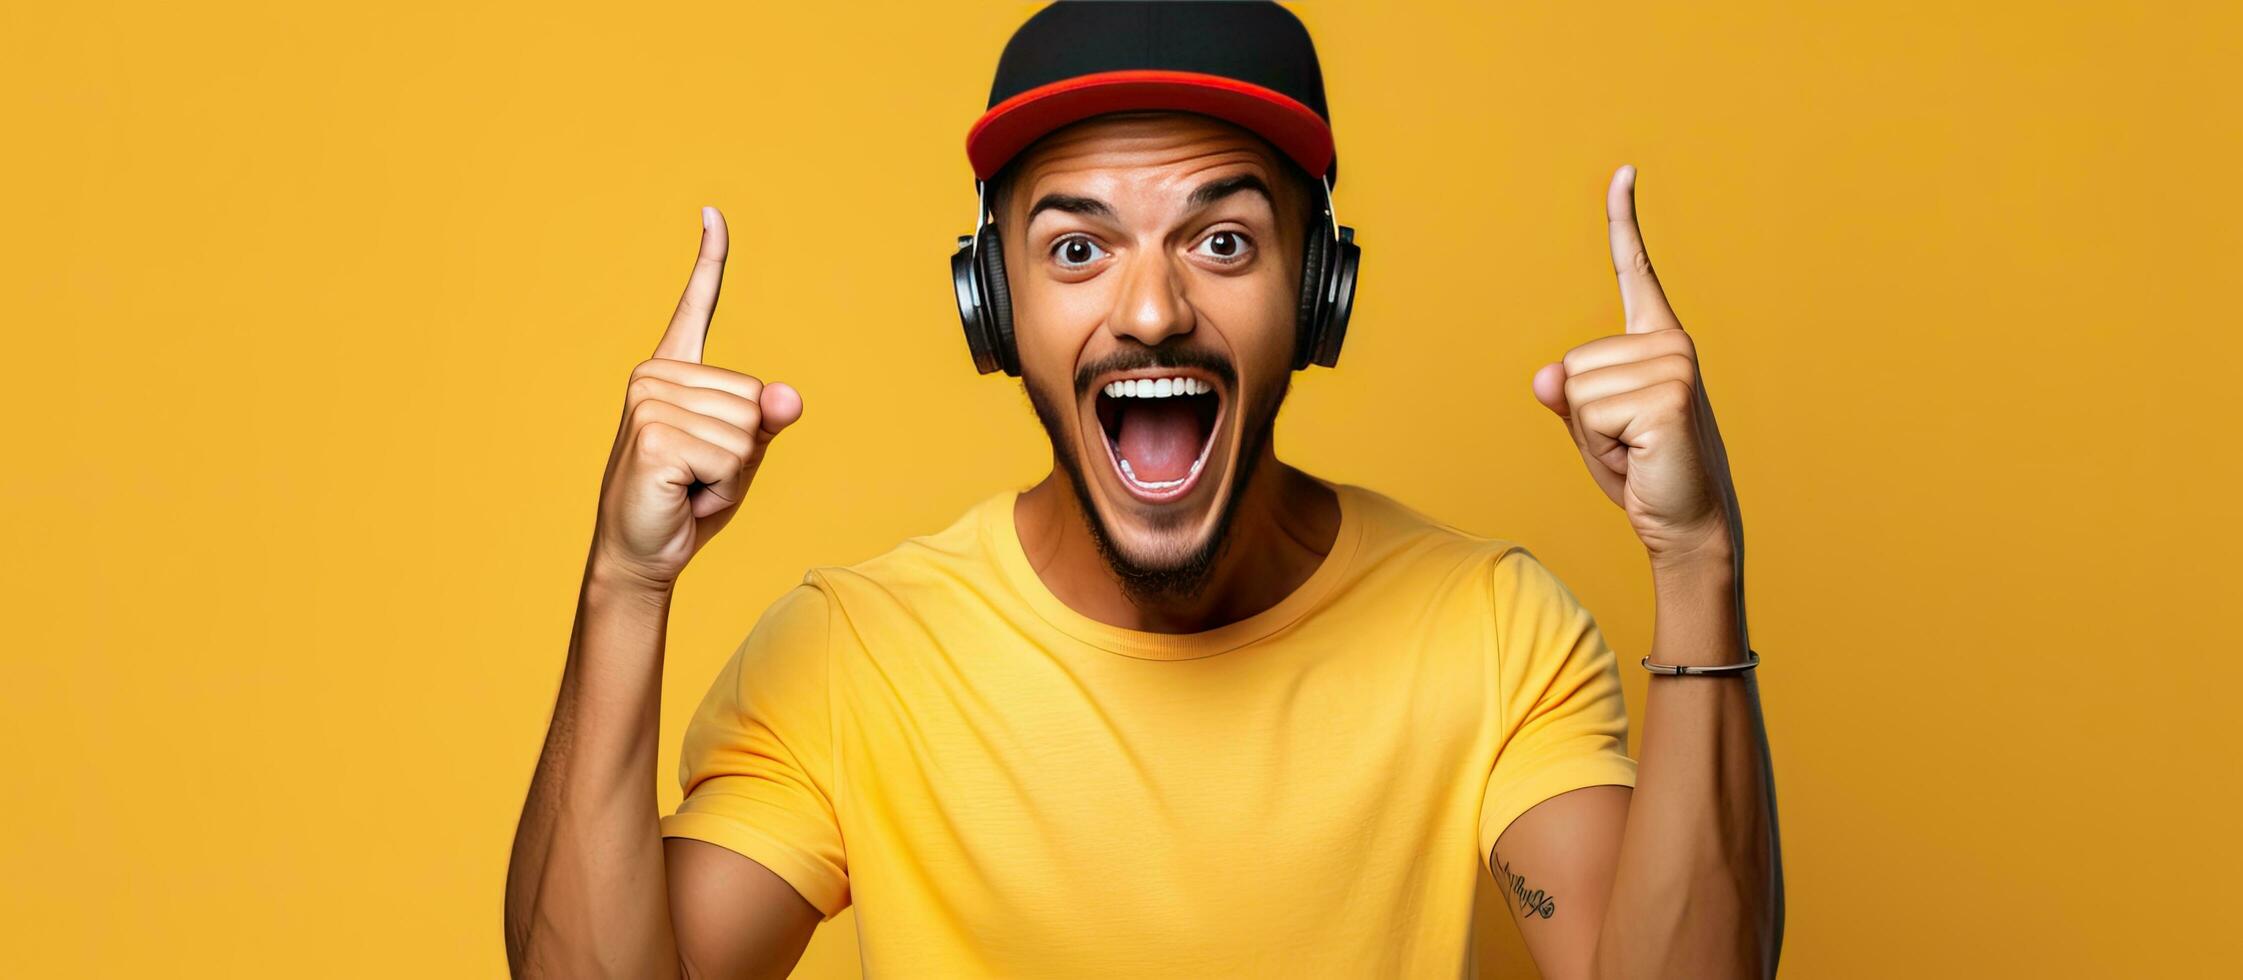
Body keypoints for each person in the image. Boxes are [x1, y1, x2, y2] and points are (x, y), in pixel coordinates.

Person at [504, 2, 1781, 976]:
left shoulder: (1489, 628)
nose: (1155, 307)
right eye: (1076, 248)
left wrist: (1695, 556)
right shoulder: (852, 658)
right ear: (991, 305)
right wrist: (626, 582)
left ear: (1318, 295)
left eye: (1223, 240)